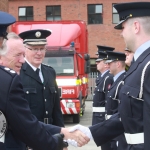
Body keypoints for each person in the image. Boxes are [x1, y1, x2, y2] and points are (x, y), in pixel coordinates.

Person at [0, 12, 90, 150]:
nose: (39, 53)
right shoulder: (13, 77)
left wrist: (61, 134)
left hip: (41, 134)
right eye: (34, 49)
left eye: (42, 49)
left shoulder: (49, 72)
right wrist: (57, 141)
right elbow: (23, 122)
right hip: (29, 138)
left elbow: (55, 110)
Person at [70, 2, 150, 150]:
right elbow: (128, 115)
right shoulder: (140, 64)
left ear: (136, 27)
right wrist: (91, 131)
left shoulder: (147, 65)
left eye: (123, 27)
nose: (121, 33)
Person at [92, 49, 114, 150]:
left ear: (106, 64)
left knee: (107, 146)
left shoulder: (108, 78)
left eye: (98, 61)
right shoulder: (101, 77)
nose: (96, 63)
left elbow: (108, 101)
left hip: (103, 118)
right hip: (98, 118)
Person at [105, 51, 127, 150]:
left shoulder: (123, 81)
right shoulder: (116, 81)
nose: (107, 65)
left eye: (109, 63)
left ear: (118, 64)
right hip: (111, 129)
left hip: (118, 131)